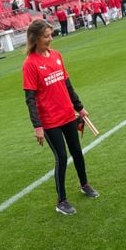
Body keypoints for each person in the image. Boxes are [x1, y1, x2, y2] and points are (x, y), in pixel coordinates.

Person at [22, 19, 99, 215]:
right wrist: (37, 126)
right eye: (46, 36)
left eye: (50, 35)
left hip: (67, 114)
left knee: (77, 152)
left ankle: (84, 184)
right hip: (49, 121)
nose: (50, 39)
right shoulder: (30, 64)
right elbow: (30, 98)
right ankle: (61, 200)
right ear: (35, 39)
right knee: (62, 157)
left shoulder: (56, 55)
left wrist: (79, 108)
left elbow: (67, 84)